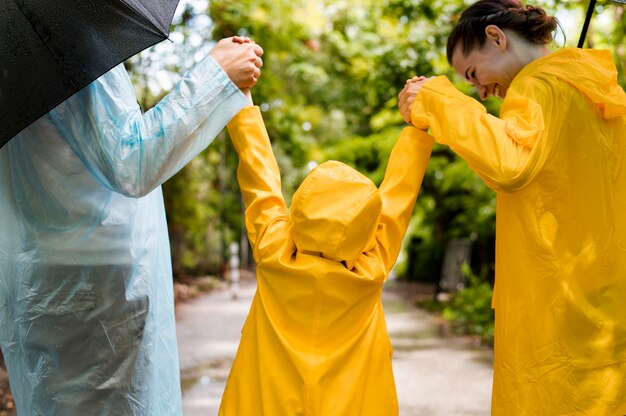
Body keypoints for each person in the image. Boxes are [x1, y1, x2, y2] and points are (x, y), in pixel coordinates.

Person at [0, 36, 263, 415]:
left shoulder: (16, 51)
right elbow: (131, 160)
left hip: (43, 286)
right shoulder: (66, 44)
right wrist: (216, 74)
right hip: (98, 297)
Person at [397, 0, 626, 414]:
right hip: (607, 302)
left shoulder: (538, 85)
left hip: (554, 306)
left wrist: (436, 99)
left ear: (496, 37)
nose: (481, 91)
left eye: (473, 74)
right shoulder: (598, 91)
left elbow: (511, 165)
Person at [218, 89, 434, 415]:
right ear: (366, 227)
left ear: (300, 210)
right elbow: (397, 199)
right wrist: (418, 131)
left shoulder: (274, 250)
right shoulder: (371, 268)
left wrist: (243, 102)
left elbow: (260, 180)